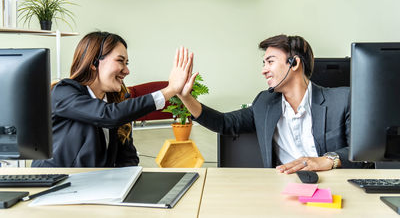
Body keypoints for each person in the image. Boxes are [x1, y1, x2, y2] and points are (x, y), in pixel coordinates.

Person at [178, 34, 371, 174]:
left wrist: (327, 160)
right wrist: (186, 97)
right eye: (263, 63)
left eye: (270, 62)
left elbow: (364, 152)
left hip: (334, 187)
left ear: (294, 63)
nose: (264, 70)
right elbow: (224, 123)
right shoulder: (265, 103)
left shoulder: (342, 99)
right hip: (285, 189)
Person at [32, 31, 193, 167]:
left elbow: (127, 158)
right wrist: (170, 90)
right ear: (94, 62)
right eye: (120, 61)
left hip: (93, 189)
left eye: (127, 63)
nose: (127, 70)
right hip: (54, 187)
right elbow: (107, 115)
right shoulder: (63, 92)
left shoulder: (117, 103)